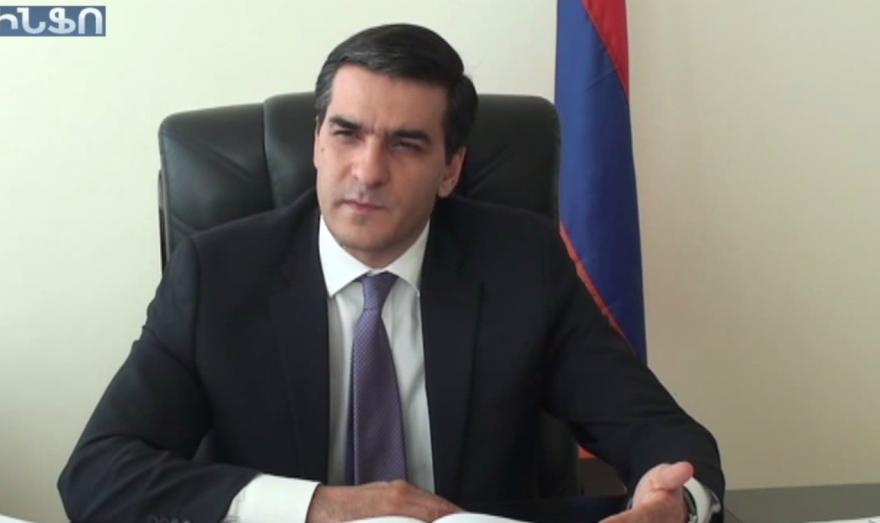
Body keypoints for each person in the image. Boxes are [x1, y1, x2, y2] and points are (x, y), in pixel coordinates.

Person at [59, 24, 724, 523]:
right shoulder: (217, 275)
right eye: (347, 133)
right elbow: (98, 471)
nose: (368, 171)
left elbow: (663, 434)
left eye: (406, 145)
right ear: (316, 141)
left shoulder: (521, 264)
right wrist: (317, 506)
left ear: (451, 169)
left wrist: (673, 500)